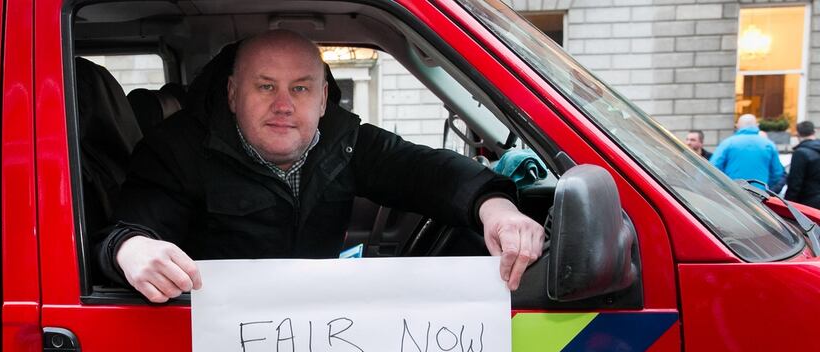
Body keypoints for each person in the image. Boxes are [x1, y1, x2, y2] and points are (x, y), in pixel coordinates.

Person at [99, 30, 544, 302]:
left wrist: (495, 207)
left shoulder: (344, 142)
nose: (283, 105)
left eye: (300, 88)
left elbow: (426, 171)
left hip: (318, 339)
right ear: (233, 94)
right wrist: (130, 250)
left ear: (323, 97)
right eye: (265, 86)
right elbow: (130, 230)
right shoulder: (178, 151)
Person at [710, 114, 784, 191]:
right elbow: (777, 174)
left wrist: (724, 186)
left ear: (737, 126)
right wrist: (765, 187)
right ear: (757, 126)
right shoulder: (768, 145)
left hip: (734, 192)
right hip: (759, 194)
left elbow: (713, 167)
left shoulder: (728, 143)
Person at [785, 120, 820, 209]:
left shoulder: (800, 153)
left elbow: (795, 183)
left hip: (808, 204)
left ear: (798, 134)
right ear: (814, 131)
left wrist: (787, 204)